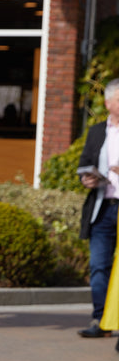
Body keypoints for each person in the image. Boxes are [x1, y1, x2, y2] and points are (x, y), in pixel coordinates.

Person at [77, 77, 119, 341]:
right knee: (98, 265)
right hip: (102, 206)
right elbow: (84, 163)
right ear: (108, 102)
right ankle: (101, 319)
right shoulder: (96, 131)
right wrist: (87, 179)